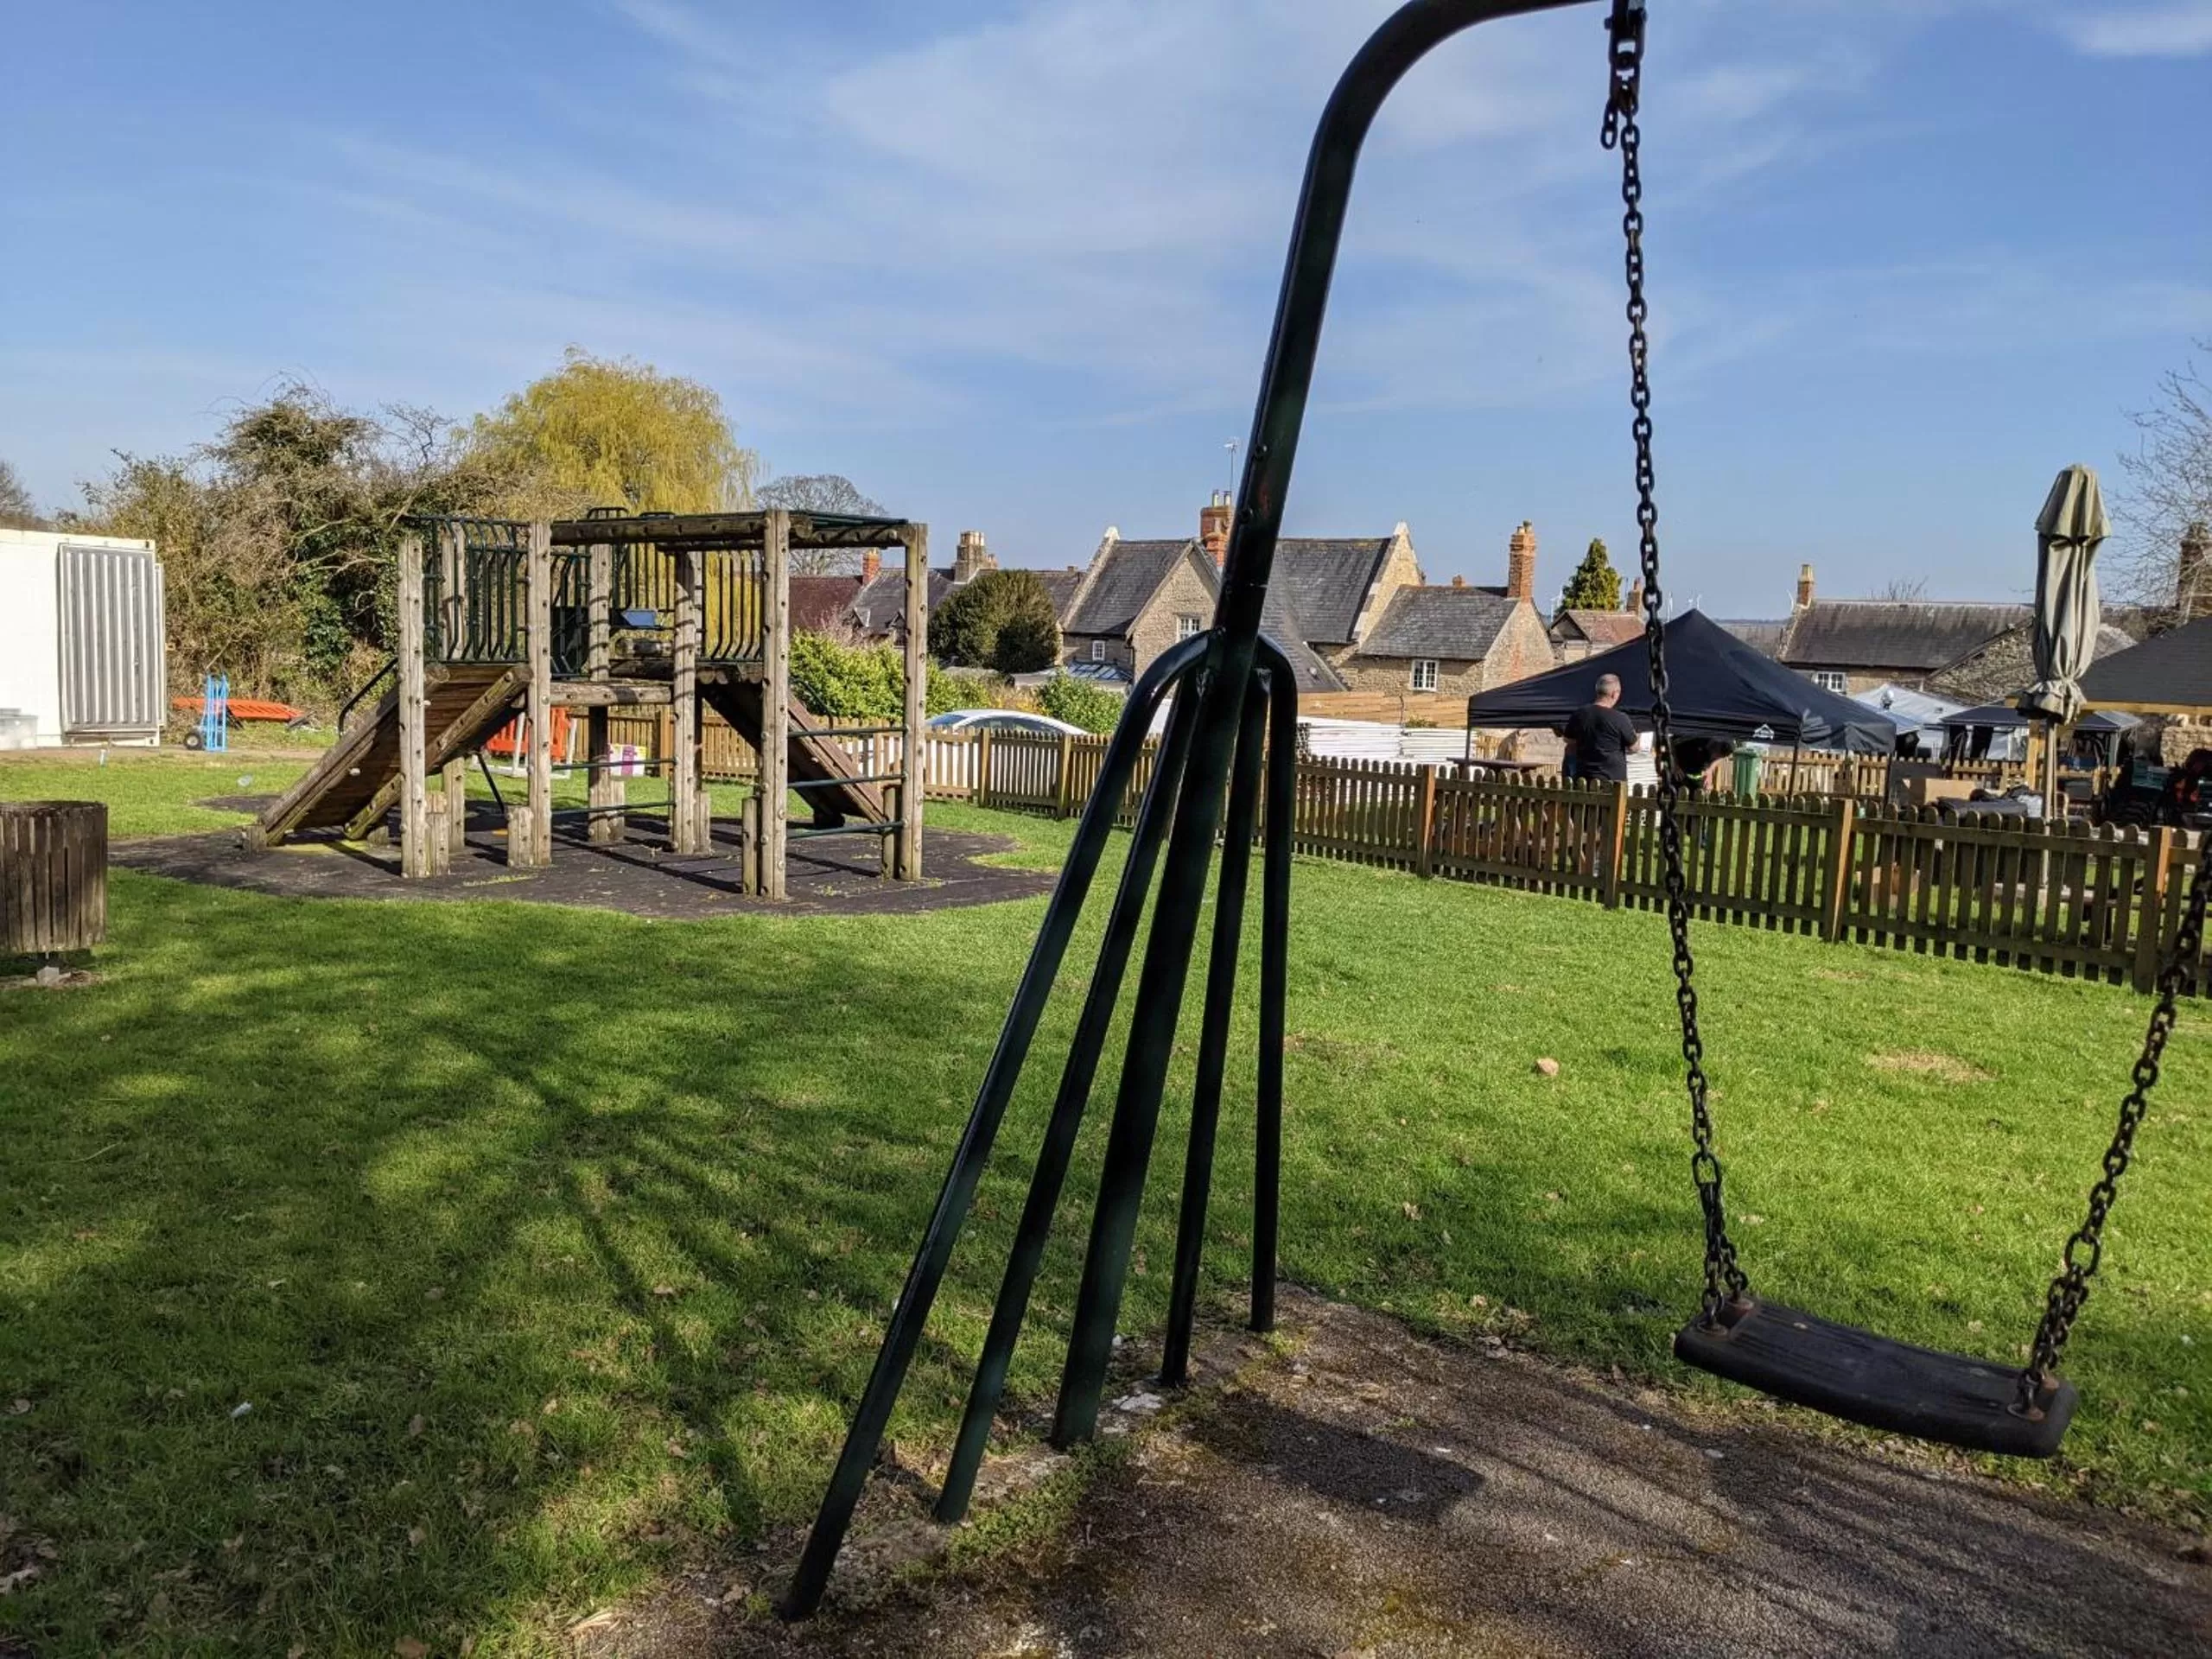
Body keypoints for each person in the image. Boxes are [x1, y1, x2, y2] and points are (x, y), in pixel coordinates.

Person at [1561, 673, 1641, 784]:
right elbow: (1634, 748)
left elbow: (1568, 740)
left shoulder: (1579, 714)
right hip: (1612, 781)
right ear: (1614, 694)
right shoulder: (1620, 718)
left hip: (1584, 779)